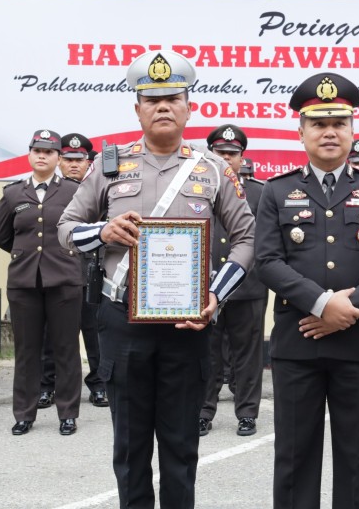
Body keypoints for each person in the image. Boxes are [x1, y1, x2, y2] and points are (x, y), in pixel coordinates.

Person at [58, 50, 255, 508]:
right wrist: (103, 231)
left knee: (181, 444)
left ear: (189, 106)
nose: (163, 106)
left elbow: (247, 239)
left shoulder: (213, 168)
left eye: (173, 97)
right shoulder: (109, 165)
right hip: (123, 321)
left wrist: (215, 296)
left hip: (187, 325)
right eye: (152, 99)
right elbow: (67, 228)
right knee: (129, 446)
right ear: (137, 109)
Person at [254, 72, 359, 509]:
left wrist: (347, 307)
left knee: (357, 456)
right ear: (300, 131)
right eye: (318, 124)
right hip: (297, 342)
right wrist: (322, 304)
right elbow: (267, 262)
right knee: (295, 456)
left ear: (353, 131)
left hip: (357, 341)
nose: (329, 132)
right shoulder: (277, 191)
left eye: (339, 123)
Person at [0, 130, 84, 436]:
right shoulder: (13, 193)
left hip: (65, 280)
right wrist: (29, 256)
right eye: (37, 151)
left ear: (58, 158)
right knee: (27, 350)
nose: (42, 156)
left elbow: (86, 231)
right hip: (24, 282)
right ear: (30, 155)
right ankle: (24, 413)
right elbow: (3, 236)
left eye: (49, 151)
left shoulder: (73, 191)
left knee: (65, 349)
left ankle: (68, 413)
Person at [200, 124, 268, 437]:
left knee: (248, 354)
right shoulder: (195, 187)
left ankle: (247, 413)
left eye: (233, 153)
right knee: (207, 353)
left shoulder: (260, 192)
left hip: (248, 285)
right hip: (206, 285)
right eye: (220, 152)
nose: (227, 158)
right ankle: (203, 411)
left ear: (242, 157)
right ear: (209, 153)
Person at [38, 133, 108, 409]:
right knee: (51, 333)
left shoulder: (100, 189)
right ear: (58, 161)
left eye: (79, 159)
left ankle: (99, 383)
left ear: (88, 161)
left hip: (90, 268)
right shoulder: (49, 191)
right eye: (68, 159)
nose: (74, 165)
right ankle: (47, 384)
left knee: (95, 331)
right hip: (56, 270)